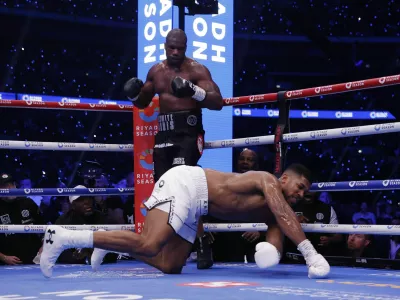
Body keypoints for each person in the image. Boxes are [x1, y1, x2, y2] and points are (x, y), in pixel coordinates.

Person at [40, 164, 330, 279]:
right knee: (149, 243)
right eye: (300, 187)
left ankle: (113, 242)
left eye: (306, 192)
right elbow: (282, 211)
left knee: (171, 265)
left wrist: (272, 253)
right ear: (284, 179)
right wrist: (311, 255)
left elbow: (275, 242)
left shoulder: (275, 215)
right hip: (189, 183)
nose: (302, 194)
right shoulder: (266, 181)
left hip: (197, 207)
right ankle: (64, 237)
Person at [124, 28, 223, 268]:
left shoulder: (197, 70)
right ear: (165, 46)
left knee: (186, 188)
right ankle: (166, 244)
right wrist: (132, 95)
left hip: (189, 134)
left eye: (180, 48)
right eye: (172, 47)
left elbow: (218, 102)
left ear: (186, 47)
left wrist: (193, 91)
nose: (176, 52)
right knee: (164, 191)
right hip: (164, 135)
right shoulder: (156, 72)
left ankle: (201, 243)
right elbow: (143, 102)